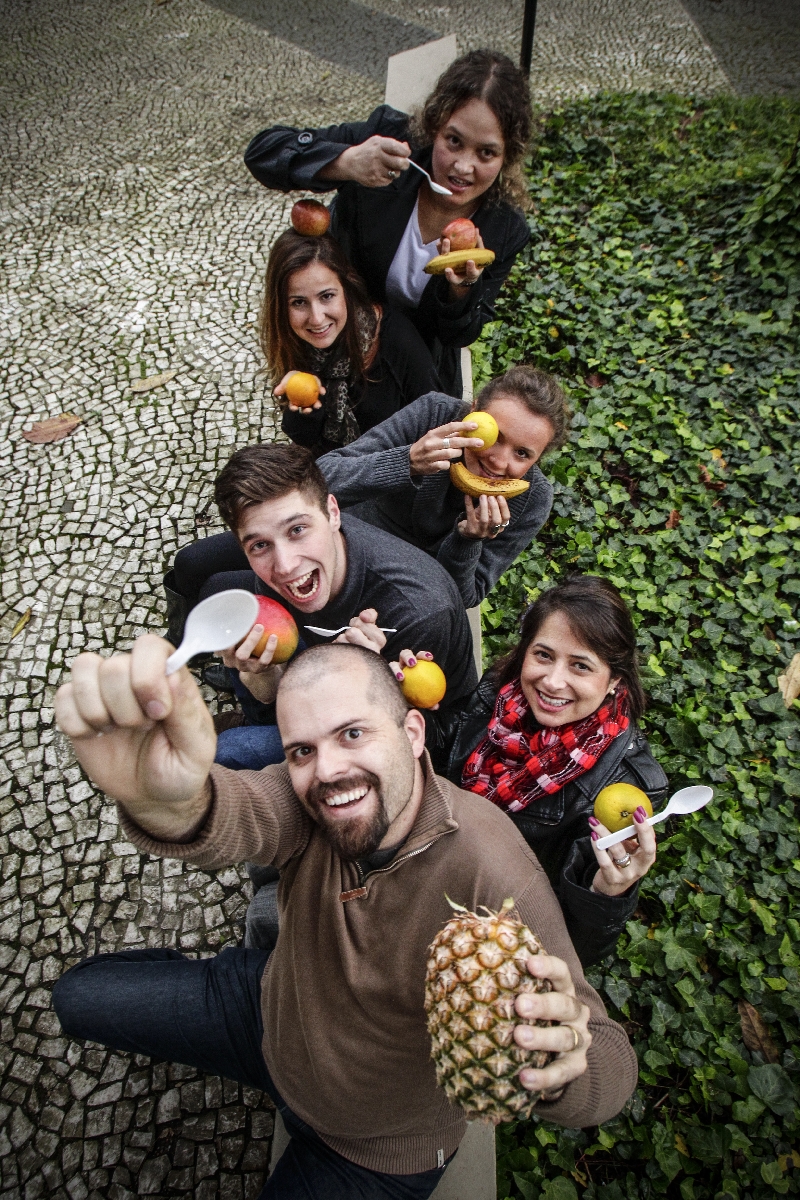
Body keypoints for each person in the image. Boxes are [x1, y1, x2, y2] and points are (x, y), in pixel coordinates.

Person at [53, 638, 639, 1199]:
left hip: (374, 1147)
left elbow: (610, 1064)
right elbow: (239, 811)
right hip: (270, 1016)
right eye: (301, 750)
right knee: (75, 998)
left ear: (412, 733)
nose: (327, 770)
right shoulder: (309, 799)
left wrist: (562, 1069)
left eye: (352, 734)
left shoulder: (490, 865)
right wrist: (164, 799)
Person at [244, 49, 532, 396]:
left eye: (486, 153)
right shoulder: (391, 144)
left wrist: (461, 290)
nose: (463, 167)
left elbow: (458, 336)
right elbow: (263, 153)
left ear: (507, 155)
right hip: (338, 335)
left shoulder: (505, 227)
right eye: (453, 141)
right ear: (434, 127)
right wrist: (347, 162)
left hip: (417, 368)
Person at [184, 443, 477, 771]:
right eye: (260, 545)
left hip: (392, 731)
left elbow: (434, 744)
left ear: (333, 513)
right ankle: (257, 723)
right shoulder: (278, 575)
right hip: (310, 674)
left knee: (225, 752)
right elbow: (268, 688)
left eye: (297, 530)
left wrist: (360, 683)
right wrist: (261, 674)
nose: (284, 565)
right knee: (241, 655)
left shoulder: (419, 613)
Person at [421, 575, 668, 965]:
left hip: (484, 934)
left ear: (614, 681)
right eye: (543, 655)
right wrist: (405, 705)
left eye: (581, 666)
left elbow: (575, 951)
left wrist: (605, 894)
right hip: (422, 863)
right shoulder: (499, 697)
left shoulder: (627, 785)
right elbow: (442, 751)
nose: (552, 682)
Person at [317, 365, 569, 607]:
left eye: (522, 454)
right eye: (495, 437)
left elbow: (465, 597)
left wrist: (468, 540)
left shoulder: (532, 499)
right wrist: (407, 462)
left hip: (409, 594)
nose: (499, 461)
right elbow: (320, 478)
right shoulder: (435, 414)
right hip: (348, 551)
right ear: (474, 409)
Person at [263, 228, 439, 455]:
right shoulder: (294, 343)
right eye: (298, 302)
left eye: (326, 296)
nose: (316, 318)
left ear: (346, 288)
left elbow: (436, 422)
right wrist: (302, 408)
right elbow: (305, 442)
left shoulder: (395, 339)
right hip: (335, 477)